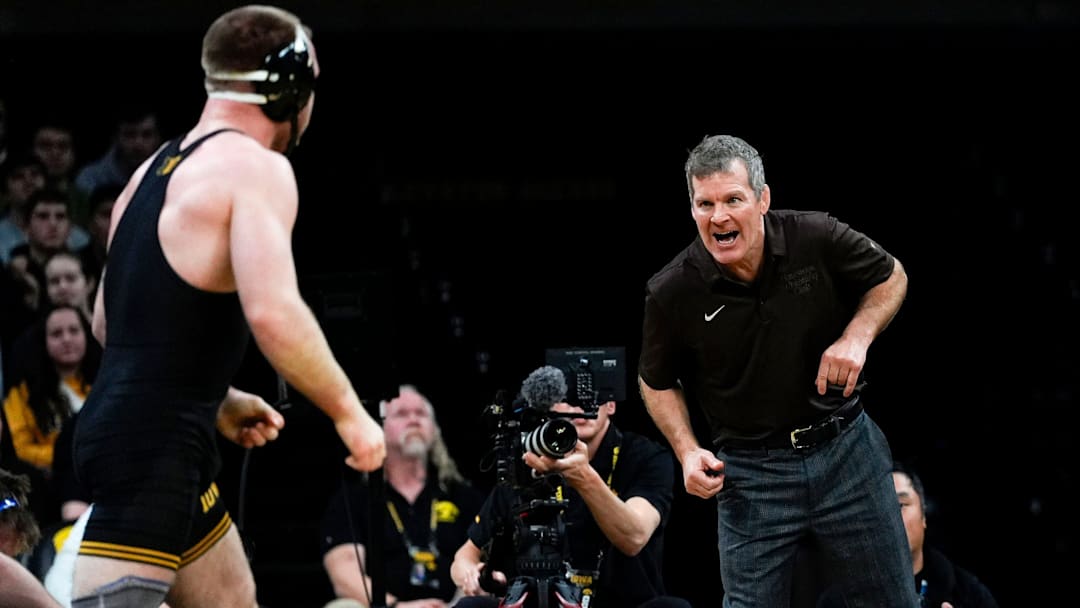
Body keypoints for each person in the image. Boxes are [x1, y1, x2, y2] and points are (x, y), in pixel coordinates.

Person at [69, 5, 386, 607]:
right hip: (152, 447)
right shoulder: (254, 168)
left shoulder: (152, 170)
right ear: (288, 85)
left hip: (143, 428)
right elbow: (274, 312)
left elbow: (109, 324)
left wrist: (217, 397)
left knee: (233, 599)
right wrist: (350, 413)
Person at [637, 134, 916, 607]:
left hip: (847, 448)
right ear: (691, 209)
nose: (718, 216)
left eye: (732, 199)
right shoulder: (672, 290)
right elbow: (655, 381)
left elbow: (892, 276)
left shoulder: (815, 235)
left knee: (891, 601)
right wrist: (686, 451)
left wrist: (857, 336)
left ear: (763, 199)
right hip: (750, 472)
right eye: (704, 203)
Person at [451, 366, 687, 608]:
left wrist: (582, 476)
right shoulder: (528, 461)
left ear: (611, 405)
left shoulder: (646, 457)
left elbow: (634, 536)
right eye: (566, 398)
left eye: (587, 398)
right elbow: (463, 556)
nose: (576, 408)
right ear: (550, 406)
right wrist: (471, 573)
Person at [321, 385, 484, 607]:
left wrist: (457, 604)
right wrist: (397, 606)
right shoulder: (354, 498)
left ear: (435, 430)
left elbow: (483, 562)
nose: (414, 420)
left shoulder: (464, 495)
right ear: (377, 427)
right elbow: (344, 572)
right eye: (402, 414)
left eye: (421, 413)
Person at [817, 464, 999, 608]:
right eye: (879, 509)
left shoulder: (968, 594)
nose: (891, 518)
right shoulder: (840, 600)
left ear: (924, 515)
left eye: (900, 505)